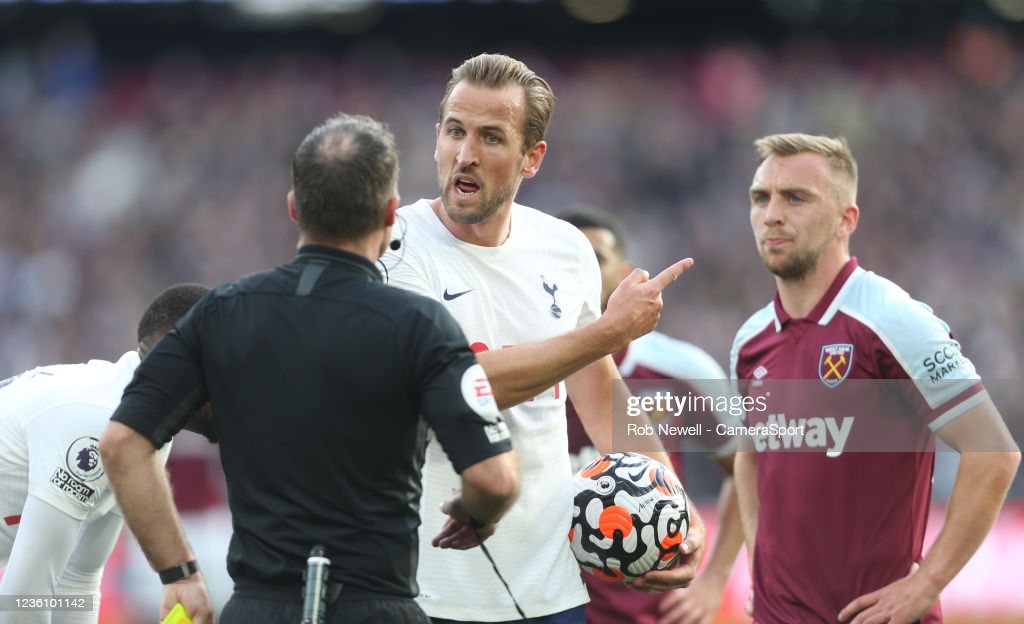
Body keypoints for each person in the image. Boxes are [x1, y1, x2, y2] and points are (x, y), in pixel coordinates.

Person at [98, 113, 521, 624]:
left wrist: (180, 575)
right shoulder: (421, 325)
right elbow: (495, 478)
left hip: (259, 606)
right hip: (377, 607)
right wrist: (476, 514)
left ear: (294, 208)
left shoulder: (222, 312)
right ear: (391, 214)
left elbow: (123, 443)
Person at [380, 53, 705, 624]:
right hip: (425, 589)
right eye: (455, 131)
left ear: (533, 158)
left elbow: (602, 395)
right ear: (435, 137)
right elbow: (449, 387)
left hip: (551, 589)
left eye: (491, 137)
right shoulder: (394, 245)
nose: (466, 153)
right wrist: (606, 331)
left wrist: (673, 501)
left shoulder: (566, 248)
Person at [730, 133, 1021, 623]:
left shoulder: (892, 319)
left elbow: (994, 452)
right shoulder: (750, 340)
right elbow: (749, 458)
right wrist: (760, 567)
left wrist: (925, 585)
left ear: (847, 219)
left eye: (795, 197)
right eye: (761, 197)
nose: (772, 214)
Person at [558, 206, 744, 624]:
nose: (580, 271)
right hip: (542, 607)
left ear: (625, 273)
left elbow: (747, 465)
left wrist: (715, 579)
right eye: (567, 260)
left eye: (595, 258)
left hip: (649, 612)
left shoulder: (681, 370)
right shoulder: (523, 368)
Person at [0, 282, 214, 624]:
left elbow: (78, 581)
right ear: (183, 364)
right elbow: (23, 599)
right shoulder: (98, 420)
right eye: (224, 366)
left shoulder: (143, 433)